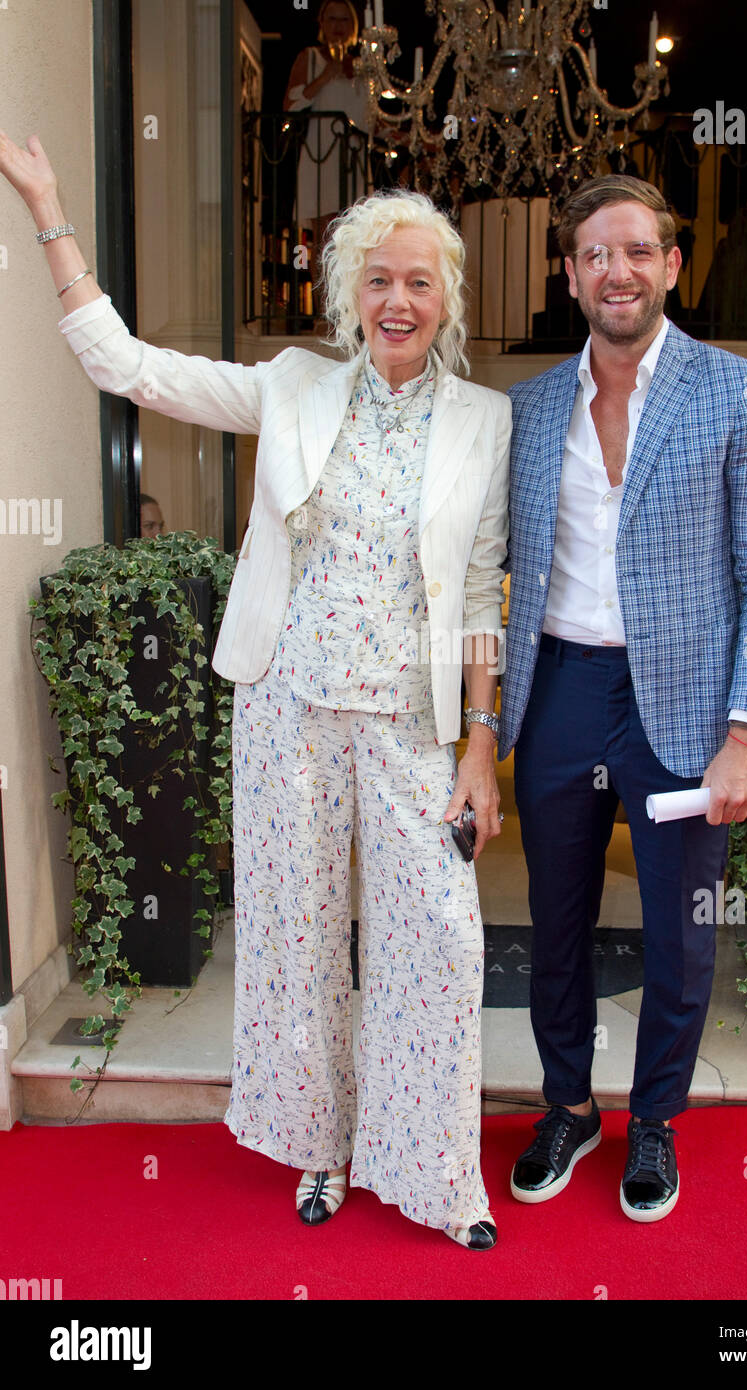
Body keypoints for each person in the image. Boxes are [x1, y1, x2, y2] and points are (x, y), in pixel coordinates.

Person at [0, 127, 510, 1250]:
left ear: (447, 299)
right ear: (347, 293)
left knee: (439, 937)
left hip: (415, 727)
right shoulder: (291, 388)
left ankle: (435, 1170)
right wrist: (49, 208)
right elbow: (129, 366)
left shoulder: (485, 420)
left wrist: (481, 744)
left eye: (419, 281)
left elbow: (482, 591)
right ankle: (319, 1146)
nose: (397, 299)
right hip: (285, 707)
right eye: (377, 278)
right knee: (294, 935)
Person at [500, 174, 747, 1222]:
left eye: (635, 250)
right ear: (570, 272)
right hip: (562, 691)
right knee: (556, 919)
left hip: (688, 706)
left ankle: (656, 1121)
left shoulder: (740, 393)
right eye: (593, 253)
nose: (615, 270)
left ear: (670, 266)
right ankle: (568, 1105)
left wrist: (746, 733)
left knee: (678, 927)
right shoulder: (529, 410)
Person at [283, 1, 368, 259]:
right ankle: (323, 301)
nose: (338, 26)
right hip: (320, 153)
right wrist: (325, 77)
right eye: (332, 19)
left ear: (352, 26)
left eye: (344, 20)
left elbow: (370, 117)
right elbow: (290, 105)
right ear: (322, 24)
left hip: (353, 158)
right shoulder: (309, 58)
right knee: (324, 243)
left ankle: (350, 301)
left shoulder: (363, 66)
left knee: (355, 242)